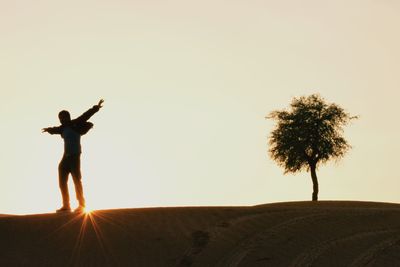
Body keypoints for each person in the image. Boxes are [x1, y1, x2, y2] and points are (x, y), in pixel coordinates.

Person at [42, 99, 104, 213]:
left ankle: (81, 204)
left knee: (76, 180)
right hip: (65, 157)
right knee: (62, 181)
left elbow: (86, 115)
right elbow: (56, 129)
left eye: (63, 117)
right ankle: (66, 205)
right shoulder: (62, 129)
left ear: (68, 117)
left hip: (74, 156)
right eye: (60, 118)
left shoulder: (76, 123)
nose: (61, 120)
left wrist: (96, 107)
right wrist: (48, 129)